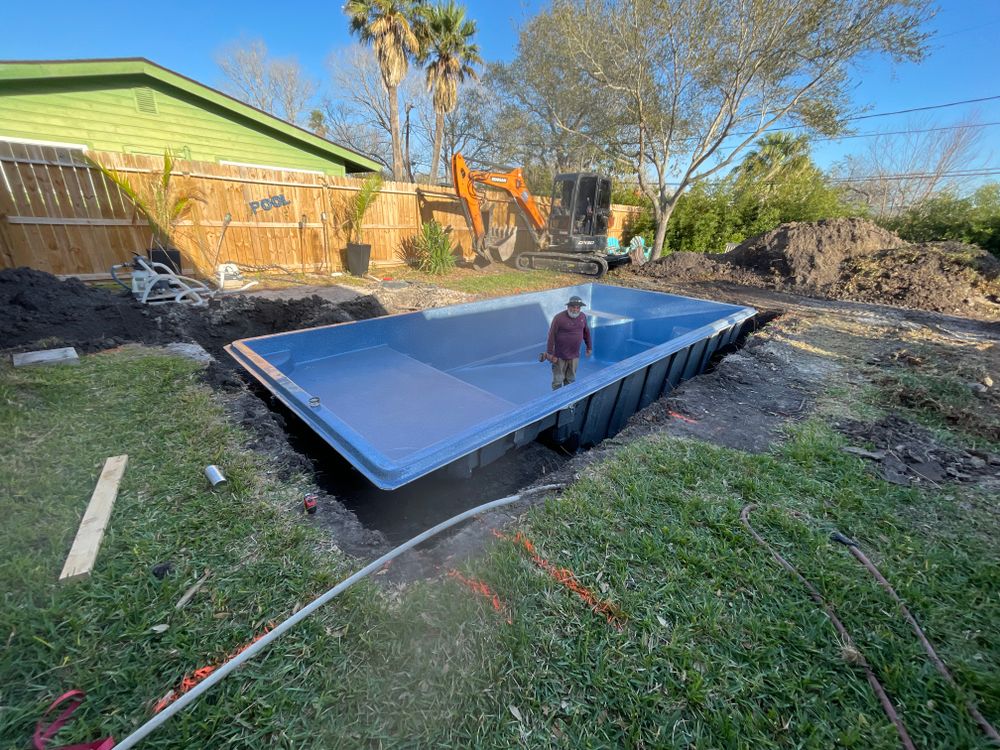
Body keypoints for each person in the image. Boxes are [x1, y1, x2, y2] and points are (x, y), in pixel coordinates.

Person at [543, 295, 592, 389]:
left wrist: (589, 347)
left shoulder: (582, 316)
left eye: (578, 307)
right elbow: (551, 335)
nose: (575, 309)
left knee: (571, 380)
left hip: (574, 356)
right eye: (573, 307)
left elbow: (586, 332)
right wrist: (549, 352)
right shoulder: (559, 318)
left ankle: (569, 403)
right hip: (559, 356)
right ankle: (557, 401)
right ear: (568, 307)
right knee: (558, 381)